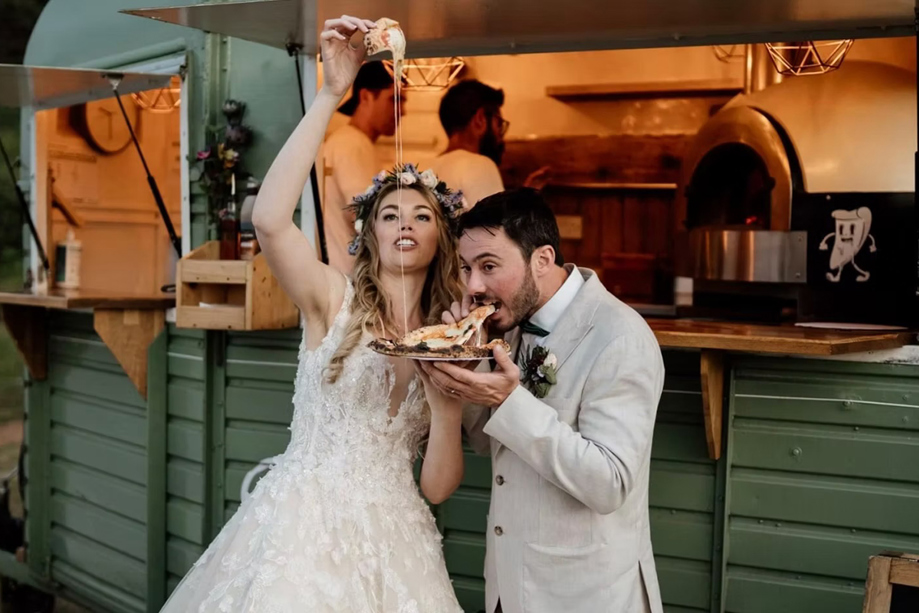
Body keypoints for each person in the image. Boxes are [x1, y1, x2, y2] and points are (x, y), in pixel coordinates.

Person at [159, 16, 466, 612]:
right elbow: (270, 221)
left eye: (423, 215)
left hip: (397, 542)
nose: (406, 222)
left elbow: (436, 487)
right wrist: (331, 94)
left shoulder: (450, 335)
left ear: (440, 239)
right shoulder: (332, 299)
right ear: (370, 234)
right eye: (390, 214)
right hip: (303, 531)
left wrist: (448, 408)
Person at [420, 188, 666, 613]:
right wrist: (467, 364)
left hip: (582, 595)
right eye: (466, 267)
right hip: (508, 586)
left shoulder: (620, 337)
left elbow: (609, 484)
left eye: (489, 266)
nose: (474, 285)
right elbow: (487, 442)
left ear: (543, 259)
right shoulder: (510, 324)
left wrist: (511, 401)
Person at [323, 60, 403, 274]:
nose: (401, 110)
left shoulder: (355, 142)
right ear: (366, 96)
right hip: (349, 277)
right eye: (394, 99)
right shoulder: (351, 144)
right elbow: (361, 213)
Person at [427, 80, 549, 209]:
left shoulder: (424, 168)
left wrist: (525, 196)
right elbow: (497, 228)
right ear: (480, 119)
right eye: (499, 124)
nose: (500, 136)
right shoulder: (478, 165)